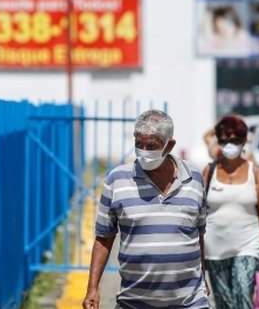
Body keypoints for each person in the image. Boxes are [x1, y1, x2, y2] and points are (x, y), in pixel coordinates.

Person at [83, 109, 209, 309]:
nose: (143, 151)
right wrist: (93, 288)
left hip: (190, 302)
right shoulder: (117, 179)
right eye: (138, 144)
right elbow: (104, 237)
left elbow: (198, 234)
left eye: (151, 146)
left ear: (170, 145)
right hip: (134, 302)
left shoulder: (194, 176)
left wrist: (203, 278)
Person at [203, 114, 259, 309]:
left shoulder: (254, 172)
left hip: (247, 245)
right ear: (219, 142)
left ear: (244, 141)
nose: (230, 145)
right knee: (224, 303)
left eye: (235, 140)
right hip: (214, 250)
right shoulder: (209, 171)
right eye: (224, 140)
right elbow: (198, 212)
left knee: (242, 295)